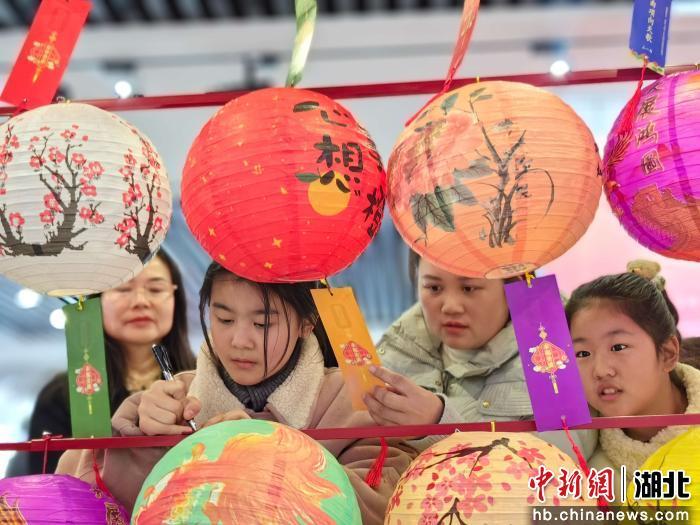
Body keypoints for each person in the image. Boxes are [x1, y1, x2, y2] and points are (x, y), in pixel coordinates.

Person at [57, 262, 416, 525]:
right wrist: (146, 443)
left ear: (307, 324)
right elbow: (94, 500)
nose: (240, 340)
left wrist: (253, 450)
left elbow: (387, 507)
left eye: (262, 323)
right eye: (224, 319)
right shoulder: (172, 399)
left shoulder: (353, 402)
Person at [366, 250, 596, 458]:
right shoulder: (398, 346)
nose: (451, 306)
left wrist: (441, 426)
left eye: (469, 288)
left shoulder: (548, 338)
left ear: (511, 283)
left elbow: (561, 460)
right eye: (434, 288)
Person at [16, 250, 195, 475]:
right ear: (97, 299)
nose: (140, 301)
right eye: (123, 288)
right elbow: (48, 486)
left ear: (176, 298)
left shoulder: (203, 380)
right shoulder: (61, 396)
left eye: (156, 289)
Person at [566, 270, 700, 494]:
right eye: (582, 353)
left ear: (667, 353)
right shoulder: (590, 472)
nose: (600, 371)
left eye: (618, 347)